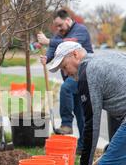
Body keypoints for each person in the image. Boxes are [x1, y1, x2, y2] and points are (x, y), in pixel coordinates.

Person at [38, 9, 93, 154]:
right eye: (56, 26)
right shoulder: (59, 35)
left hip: (84, 74)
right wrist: (47, 58)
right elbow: (53, 48)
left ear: (68, 20)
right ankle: (83, 146)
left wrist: (48, 40)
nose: (58, 29)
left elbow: (71, 43)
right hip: (74, 78)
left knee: (66, 89)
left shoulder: (80, 30)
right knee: (80, 113)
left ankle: (66, 124)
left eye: (60, 25)